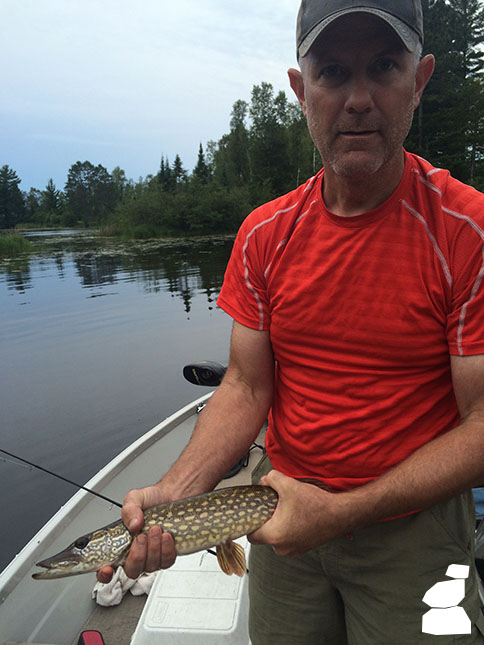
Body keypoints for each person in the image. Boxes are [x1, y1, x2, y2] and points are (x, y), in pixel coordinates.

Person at [98, 1, 484, 642]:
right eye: (333, 72)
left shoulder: (467, 233)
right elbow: (248, 387)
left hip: (411, 532)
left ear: (419, 82)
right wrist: (178, 493)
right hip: (277, 517)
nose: (358, 98)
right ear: (301, 91)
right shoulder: (264, 234)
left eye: (384, 66)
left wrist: (343, 511)